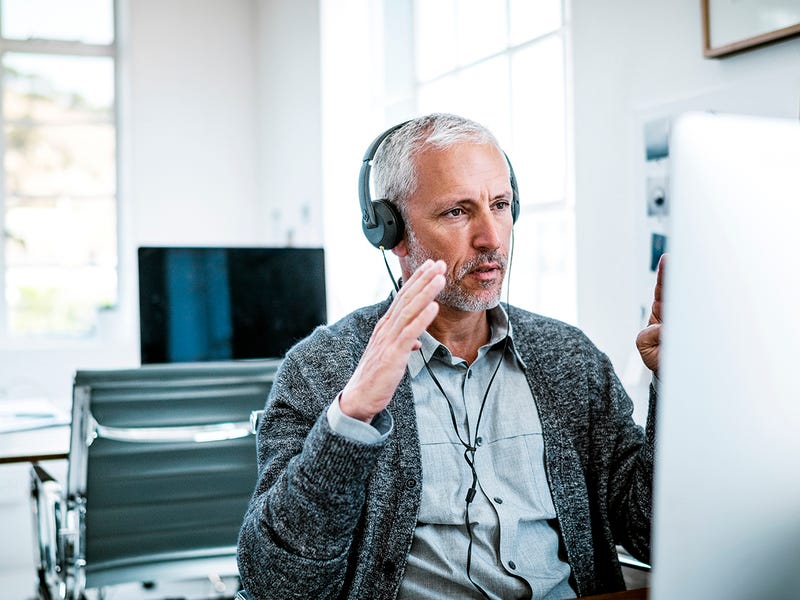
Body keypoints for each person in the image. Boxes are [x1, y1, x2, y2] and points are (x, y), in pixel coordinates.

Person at [237, 113, 663, 599]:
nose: (491, 238)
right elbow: (278, 585)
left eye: (500, 205)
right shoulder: (323, 368)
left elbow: (652, 534)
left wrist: (677, 387)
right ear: (389, 231)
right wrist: (351, 417)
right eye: (457, 212)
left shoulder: (570, 358)